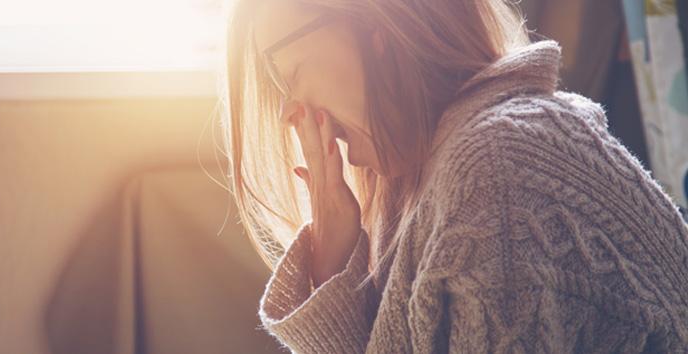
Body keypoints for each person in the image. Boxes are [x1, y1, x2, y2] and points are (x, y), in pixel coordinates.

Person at [218, 0, 688, 352]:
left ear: (376, 22)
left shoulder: (498, 170)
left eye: (291, 71)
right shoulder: (420, 182)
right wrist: (332, 270)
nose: (286, 110)